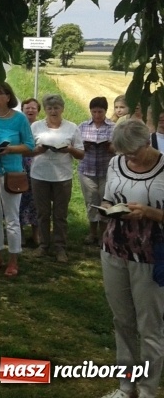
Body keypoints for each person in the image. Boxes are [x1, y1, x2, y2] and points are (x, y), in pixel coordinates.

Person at [99, 119, 164, 398]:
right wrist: (108, 209)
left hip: (151, 255)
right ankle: (126, 387)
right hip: (114, 249)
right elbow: (106, 199)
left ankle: (148, 390)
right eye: (124, 153)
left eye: (133, 153)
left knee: (150, 327)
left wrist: (148, 212)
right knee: (122, 321)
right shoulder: (116, 163)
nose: (129, 158)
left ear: (147, 143)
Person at [0, 81, 34, 277]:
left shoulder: (19, 119)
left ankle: (13, 259)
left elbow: (29, 145)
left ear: (8, 97)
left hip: (12, 173)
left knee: (12, 218)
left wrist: (10, 149)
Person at [28, 94, 84, 263]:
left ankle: (60, 247)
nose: (53, 111)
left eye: (56, 107)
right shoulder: (36, 126)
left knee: (60, 215)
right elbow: (27, 150)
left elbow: (81, 154)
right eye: (50, 108)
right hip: (39, 175)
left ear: (62, 109)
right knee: (42, 213)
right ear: (45, 110)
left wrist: (69, 150)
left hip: (62, 177)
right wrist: (38, 150)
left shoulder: (72, 127)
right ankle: (43, 246)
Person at [78, 96, 115, 245]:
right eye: (94, 112)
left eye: (100, 112)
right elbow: (76, 145)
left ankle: (104, 235)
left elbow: (117, 148)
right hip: (87, 170)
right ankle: (92, 233)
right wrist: (84, 146)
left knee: (105, 203)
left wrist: (109, 146)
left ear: (105, 111)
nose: (97, 115)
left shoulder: (113, 127)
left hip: (106, 170)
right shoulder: (83, 126)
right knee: (91, 202)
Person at [19, 98, 41, 247]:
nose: (30, 110)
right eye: (27, 108)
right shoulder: (18, 124)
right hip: (19, 165)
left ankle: (36, 234)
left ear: (38, 111)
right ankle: (19, 234)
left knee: (35, 200)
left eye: (33, 108)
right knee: (19, 199)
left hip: (38, 166)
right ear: (22, 110)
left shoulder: (41, 127)